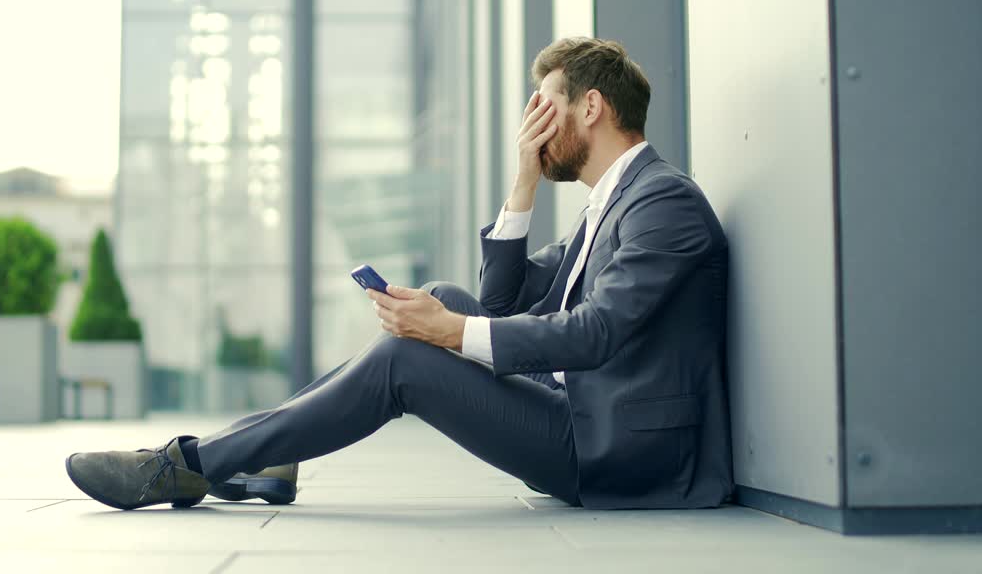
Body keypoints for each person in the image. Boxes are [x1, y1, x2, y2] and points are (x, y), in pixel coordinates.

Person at [65, 37, 733, 511]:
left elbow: (594, 333)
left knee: (406, 358)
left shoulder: (662, 203)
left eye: (543, 107)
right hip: (585, 413)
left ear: (590, 107)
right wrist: (524, 181)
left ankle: (189, 466)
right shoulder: (609, 204)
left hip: (621, 450)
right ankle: (267, 454)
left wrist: (448, 333)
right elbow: (504, 300)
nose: (531, 124)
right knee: (443, 298)